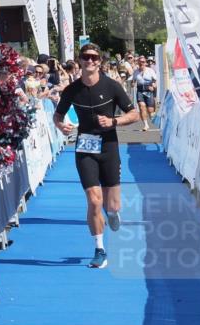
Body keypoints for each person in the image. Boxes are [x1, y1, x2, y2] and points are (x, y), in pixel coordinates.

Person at [53, 43, 139, 269]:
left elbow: (134, 114)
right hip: (84, 147)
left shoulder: (112, 86)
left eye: (94, 58)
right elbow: (57, 116)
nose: (89, 61)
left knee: (113, 205)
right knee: (93, 200)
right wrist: (61, 126)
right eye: (85, 57)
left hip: (109, 147)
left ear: (99, 61)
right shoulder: (72, 90)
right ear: (79, 61)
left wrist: (114, 121)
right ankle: (99, 249)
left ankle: (111, 213)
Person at [132, 56, 158, 132]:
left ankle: (154, 119)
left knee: (150, 111)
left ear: (145, 63)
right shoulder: (136, 72)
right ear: (138, 62)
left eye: (143, 62)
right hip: (140, 91)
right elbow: (133, 81)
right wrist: (133, 84)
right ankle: (146, 125)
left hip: (149, 91)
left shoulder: (150, 70)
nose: (141, 63)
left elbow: (155, 80)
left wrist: (154, 86)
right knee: (141, 106)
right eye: (140, 62)